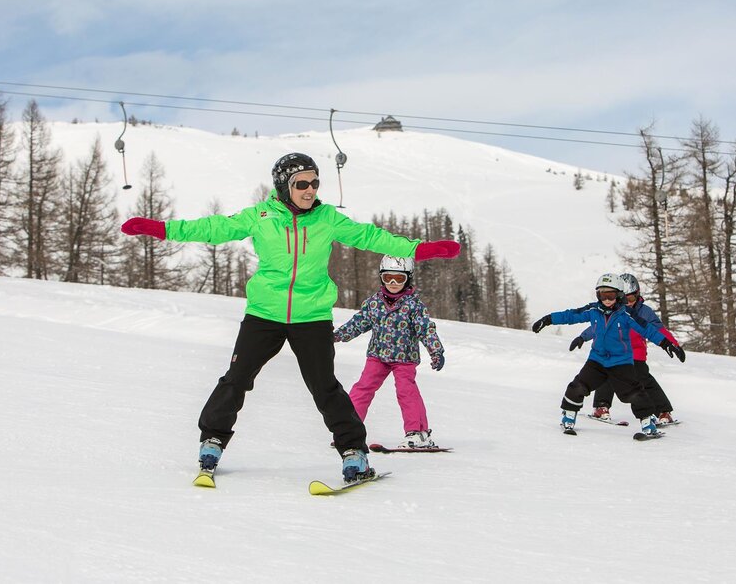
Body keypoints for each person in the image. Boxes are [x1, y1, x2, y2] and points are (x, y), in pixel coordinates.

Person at [119, 152, 461, 484]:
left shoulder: (327, 219)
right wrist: (160, 229)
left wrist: (419, 250)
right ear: (284, 187)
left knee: (325, 387)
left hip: (311, 317)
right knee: (237, 378)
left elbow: (371, 237)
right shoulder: (260, 216)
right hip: (264, 315)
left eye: (314, 182)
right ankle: (212, 441)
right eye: (302, 184)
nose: (310, 189)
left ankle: (354, 452)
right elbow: (213, 228)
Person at [531, 273, 686, 438]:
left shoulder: (626, 314)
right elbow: (571, 315)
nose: (606, 300)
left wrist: (667, 344)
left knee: (634, 393)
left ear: (619, 295)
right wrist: (548, 320)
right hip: (597, 360)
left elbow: (648, 329)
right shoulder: (593, 310)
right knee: (578, 386)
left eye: (610, 295)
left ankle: (648, 424)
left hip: (621, 362)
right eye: (603, 295)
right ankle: (569, 416)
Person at [333, 255, 445, 449]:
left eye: (399, 279)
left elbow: (425, 329)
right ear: (381, 278)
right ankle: (348, 431)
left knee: (406, 391)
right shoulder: (374, 303)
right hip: (377, 355)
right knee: (362, 388)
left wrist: (435, 351)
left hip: (404, 358)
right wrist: (337, 335)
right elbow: (359, 323)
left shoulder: (413, 305)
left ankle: (417, 433)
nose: (393, 283)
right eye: (388, 278)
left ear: (408, 278)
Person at [575, 273, 680, 425]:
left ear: (638, 295)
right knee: (606, 372)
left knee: (643, 379)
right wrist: (583, 337)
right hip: (615, 352)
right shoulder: (614, 311)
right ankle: (601, 407)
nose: (628, 303)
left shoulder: (645, 312)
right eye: (625, 299)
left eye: (632, 299)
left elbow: (658, 330)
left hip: (636, 354)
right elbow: (598, 328)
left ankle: (663, 411)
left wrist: (673, 344)